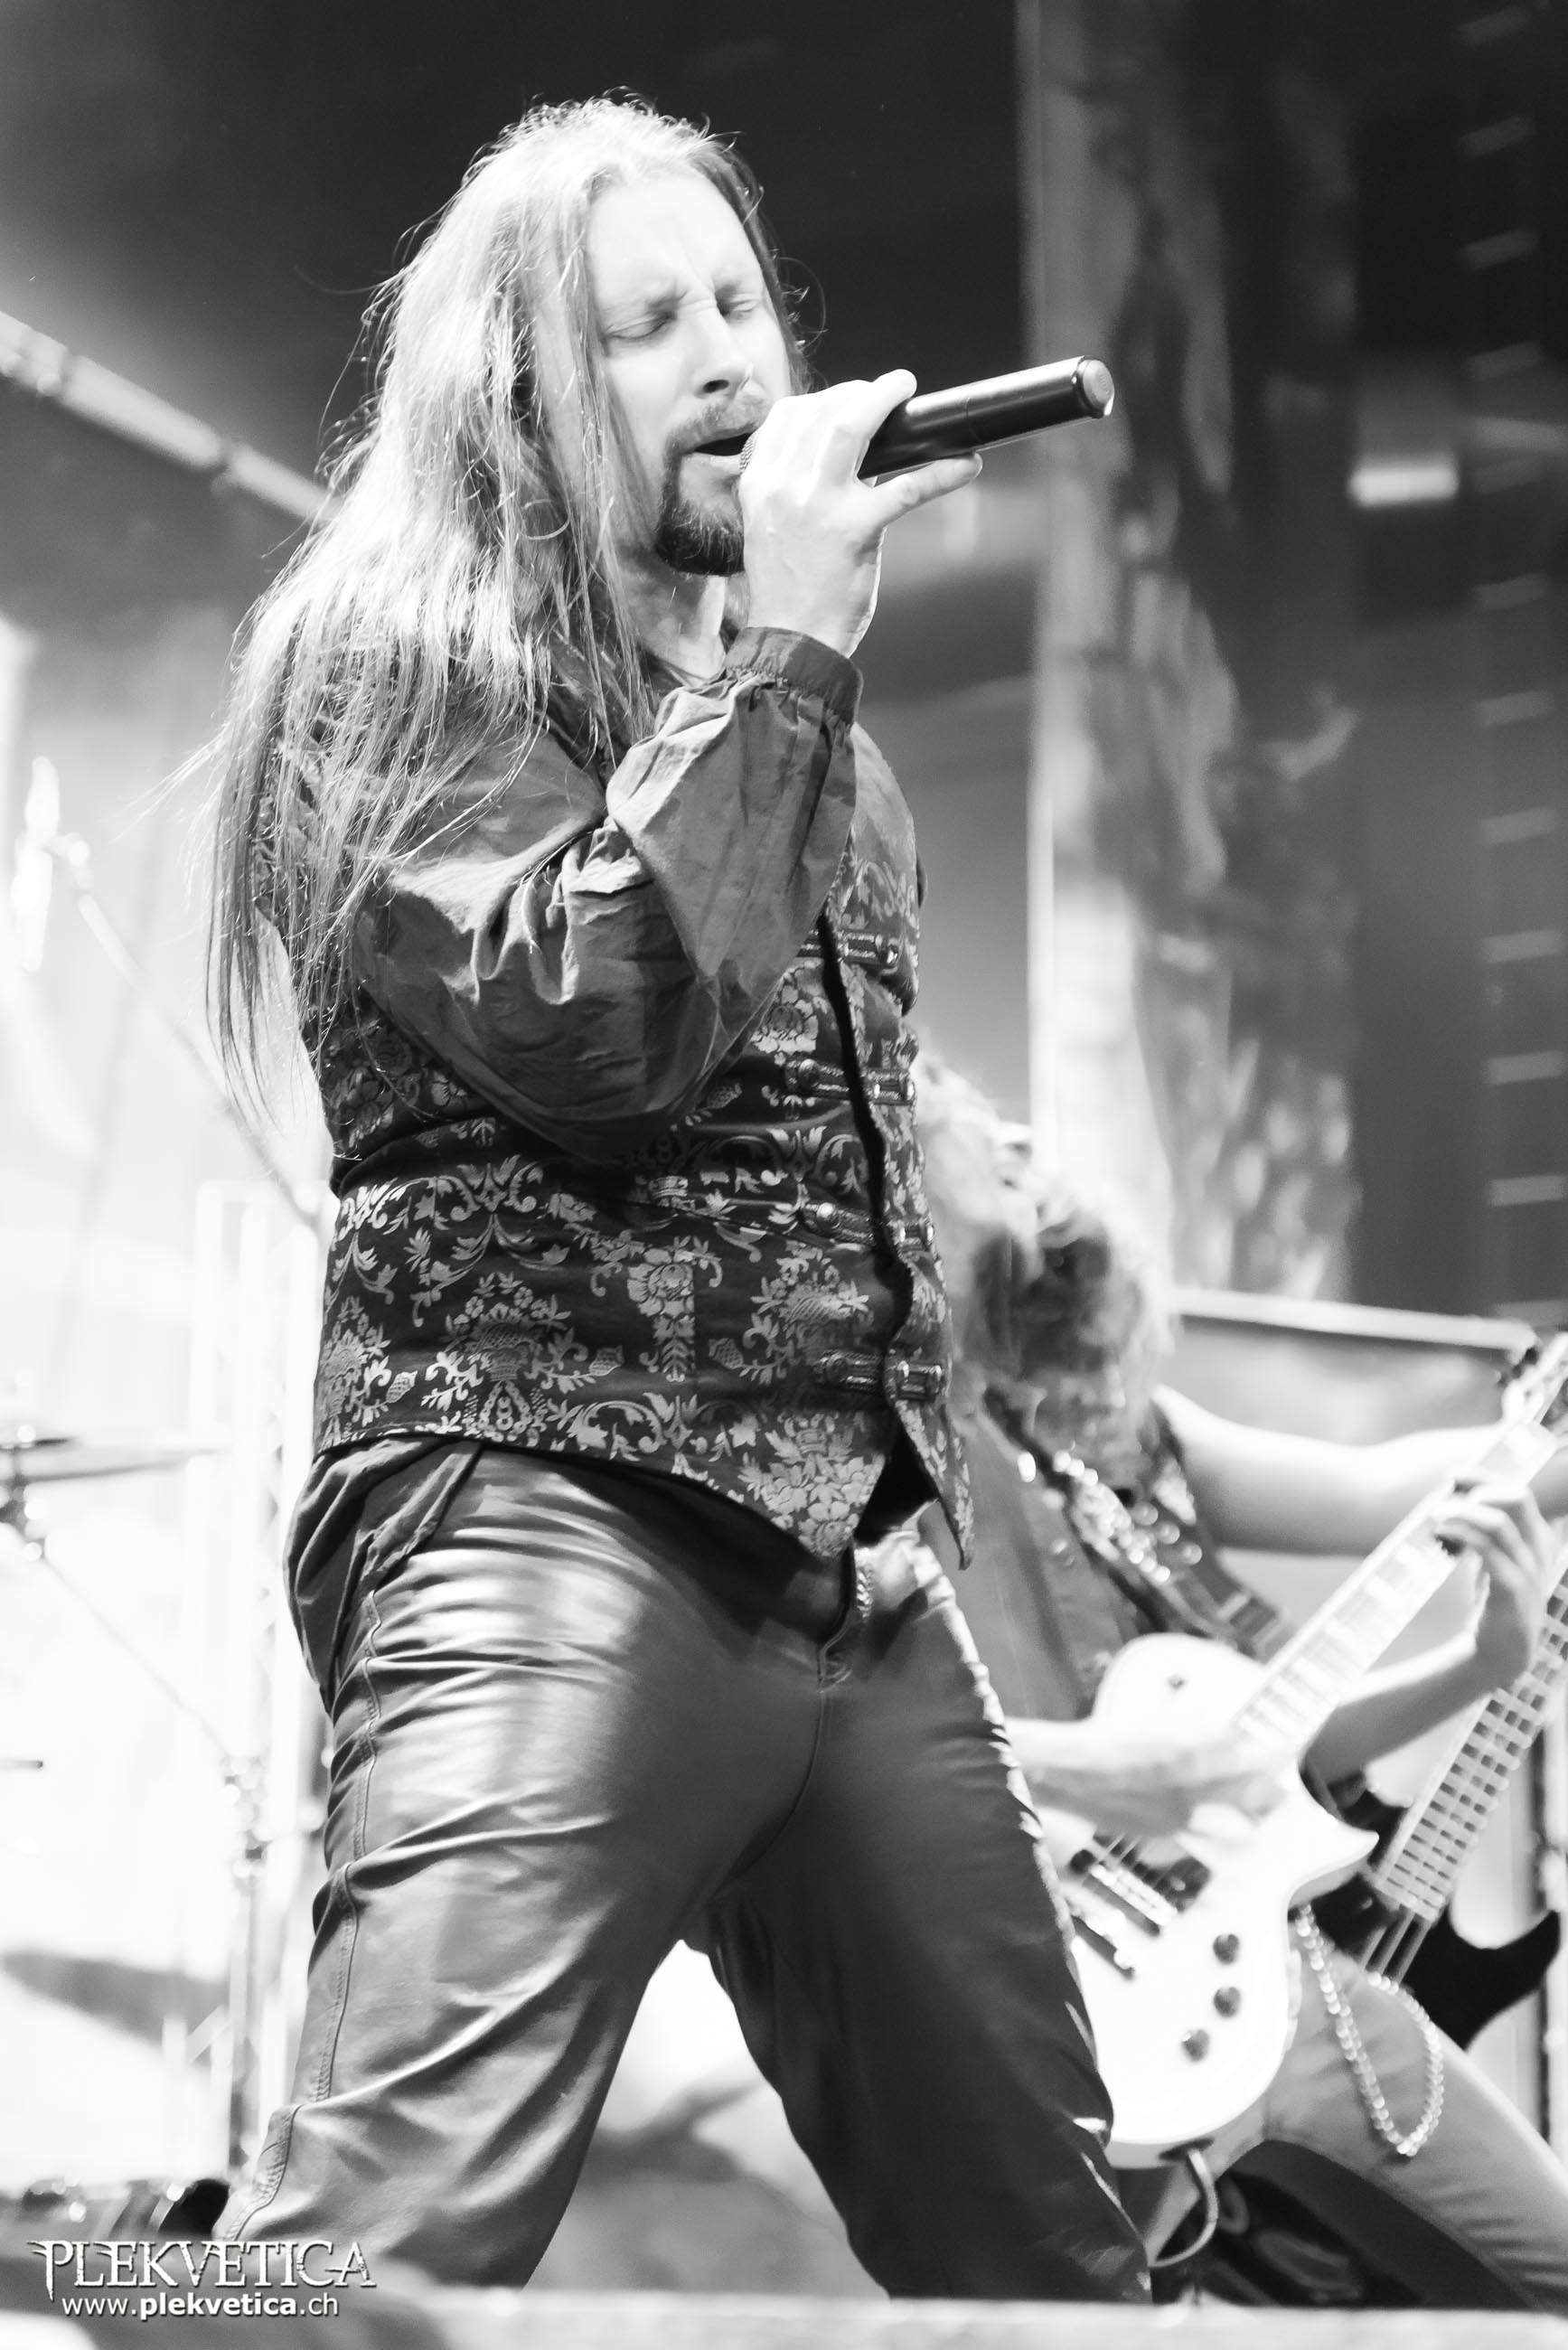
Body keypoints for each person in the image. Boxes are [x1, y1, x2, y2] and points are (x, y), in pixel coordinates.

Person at [202, 101, 1147, 2299]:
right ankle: (87, 2304)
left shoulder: (835, 764)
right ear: (519, 394)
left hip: (846, 1577)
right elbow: (598, 1025)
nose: (731, 354)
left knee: (1058, 2277)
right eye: (647, 324)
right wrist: (790, 658)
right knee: (354, 2271)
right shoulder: (391, 657)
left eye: (740, 302)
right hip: (544, 1513)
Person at [910, 1054, 1568, 2311]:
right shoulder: (856, 1450)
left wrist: (1485, 1662)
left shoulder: (1108, 1438)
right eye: (972, 1127)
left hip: (1282, 1981)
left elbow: (1392, 1504)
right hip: (1039, 1989)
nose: (1017, 1138)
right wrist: (1084, 1769)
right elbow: (820, 1731)